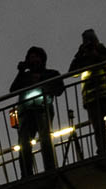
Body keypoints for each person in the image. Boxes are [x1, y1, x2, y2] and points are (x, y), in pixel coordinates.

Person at [8, 46, 64, 177]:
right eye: (30, 57)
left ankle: (50, 169)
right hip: (25, 113)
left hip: (42, 109)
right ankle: (26, 174)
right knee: (24, 145)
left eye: (36, 57)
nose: (33, 60)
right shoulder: (24, 76)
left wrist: (43, 82)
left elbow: (60, 90)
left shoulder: (51, 73)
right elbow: (13, 89)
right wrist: (21, 72)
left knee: (45, 140)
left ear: (42, 59)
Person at [69, 28, 106, 155]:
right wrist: (79, 55)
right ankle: (102, 150)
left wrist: (97, 55)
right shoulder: (82, 58)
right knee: (98, 127)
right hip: (92, 97)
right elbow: (72, 73)